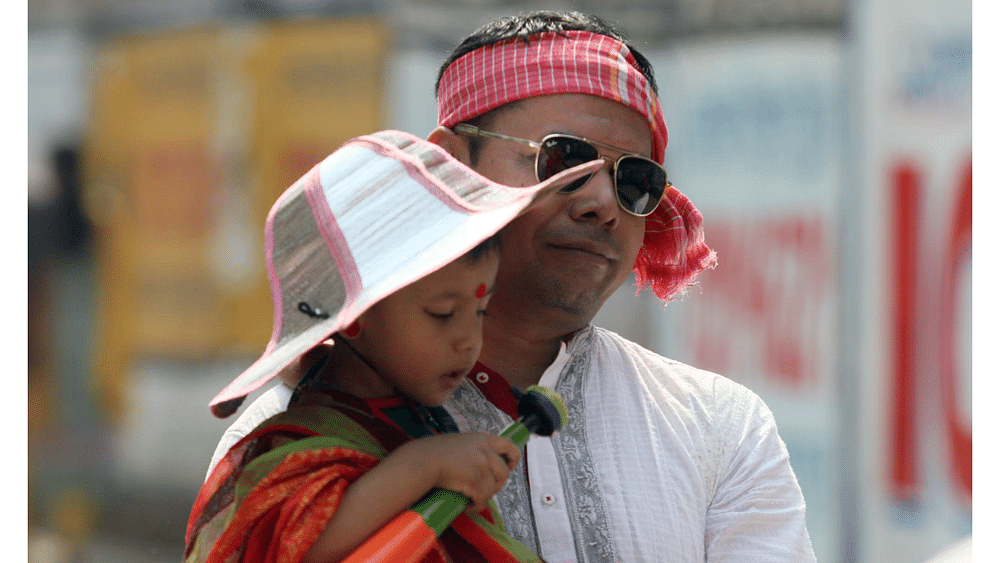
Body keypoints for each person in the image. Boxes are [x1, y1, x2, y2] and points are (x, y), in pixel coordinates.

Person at [204, 11, 817, 562]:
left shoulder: (721, 430)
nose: (602, 203)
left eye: (633, 181)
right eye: (564, 160)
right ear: (451, 166)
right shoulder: (290, 443)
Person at [184, 129, 603, 563]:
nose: (467, 341)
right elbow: (301, 546)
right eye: (442, 313)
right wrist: (425, 466)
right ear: (354, 317)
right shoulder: (301, 441)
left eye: (480, 311)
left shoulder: (412, 416)